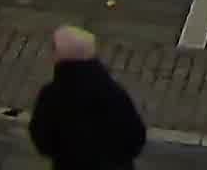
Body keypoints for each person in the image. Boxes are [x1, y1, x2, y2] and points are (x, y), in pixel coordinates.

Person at [28, 24, 146, 166]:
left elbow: (42, 139)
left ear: (59, 55)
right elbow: (135, 136)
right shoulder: (113, 93)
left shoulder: (51, 96)